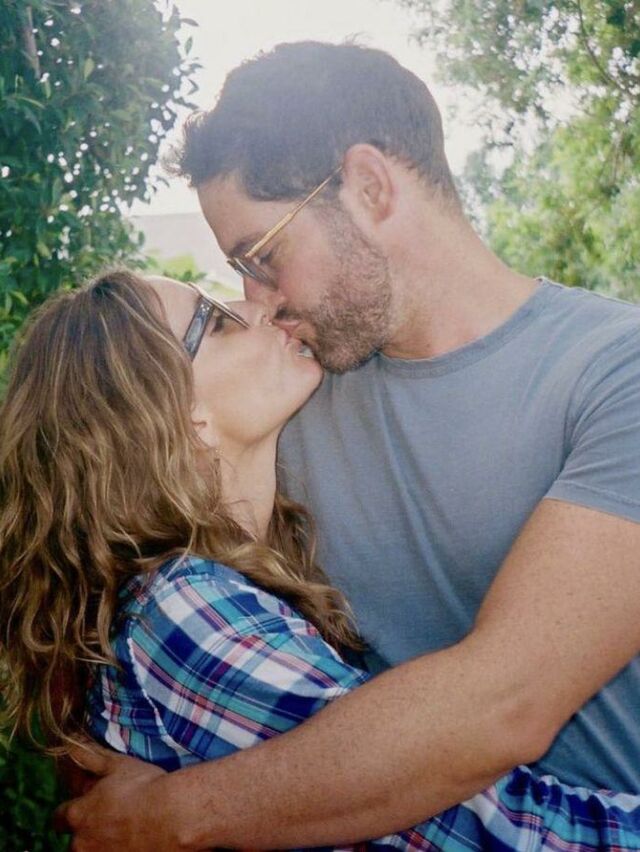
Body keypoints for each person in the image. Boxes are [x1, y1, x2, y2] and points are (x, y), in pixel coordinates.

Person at [56, 41, 640, 850]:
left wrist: (179, 814)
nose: (257, 301)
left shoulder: (616, 376)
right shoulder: (291, 392)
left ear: (369, 188)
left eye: (263, 256)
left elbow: (506, 704)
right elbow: (116, 620)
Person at [2, 270, 640, 852]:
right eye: (217, 321)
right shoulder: (185, 609)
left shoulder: (198, 591)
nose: (259, 307)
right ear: (178, 417)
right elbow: (503, 836)